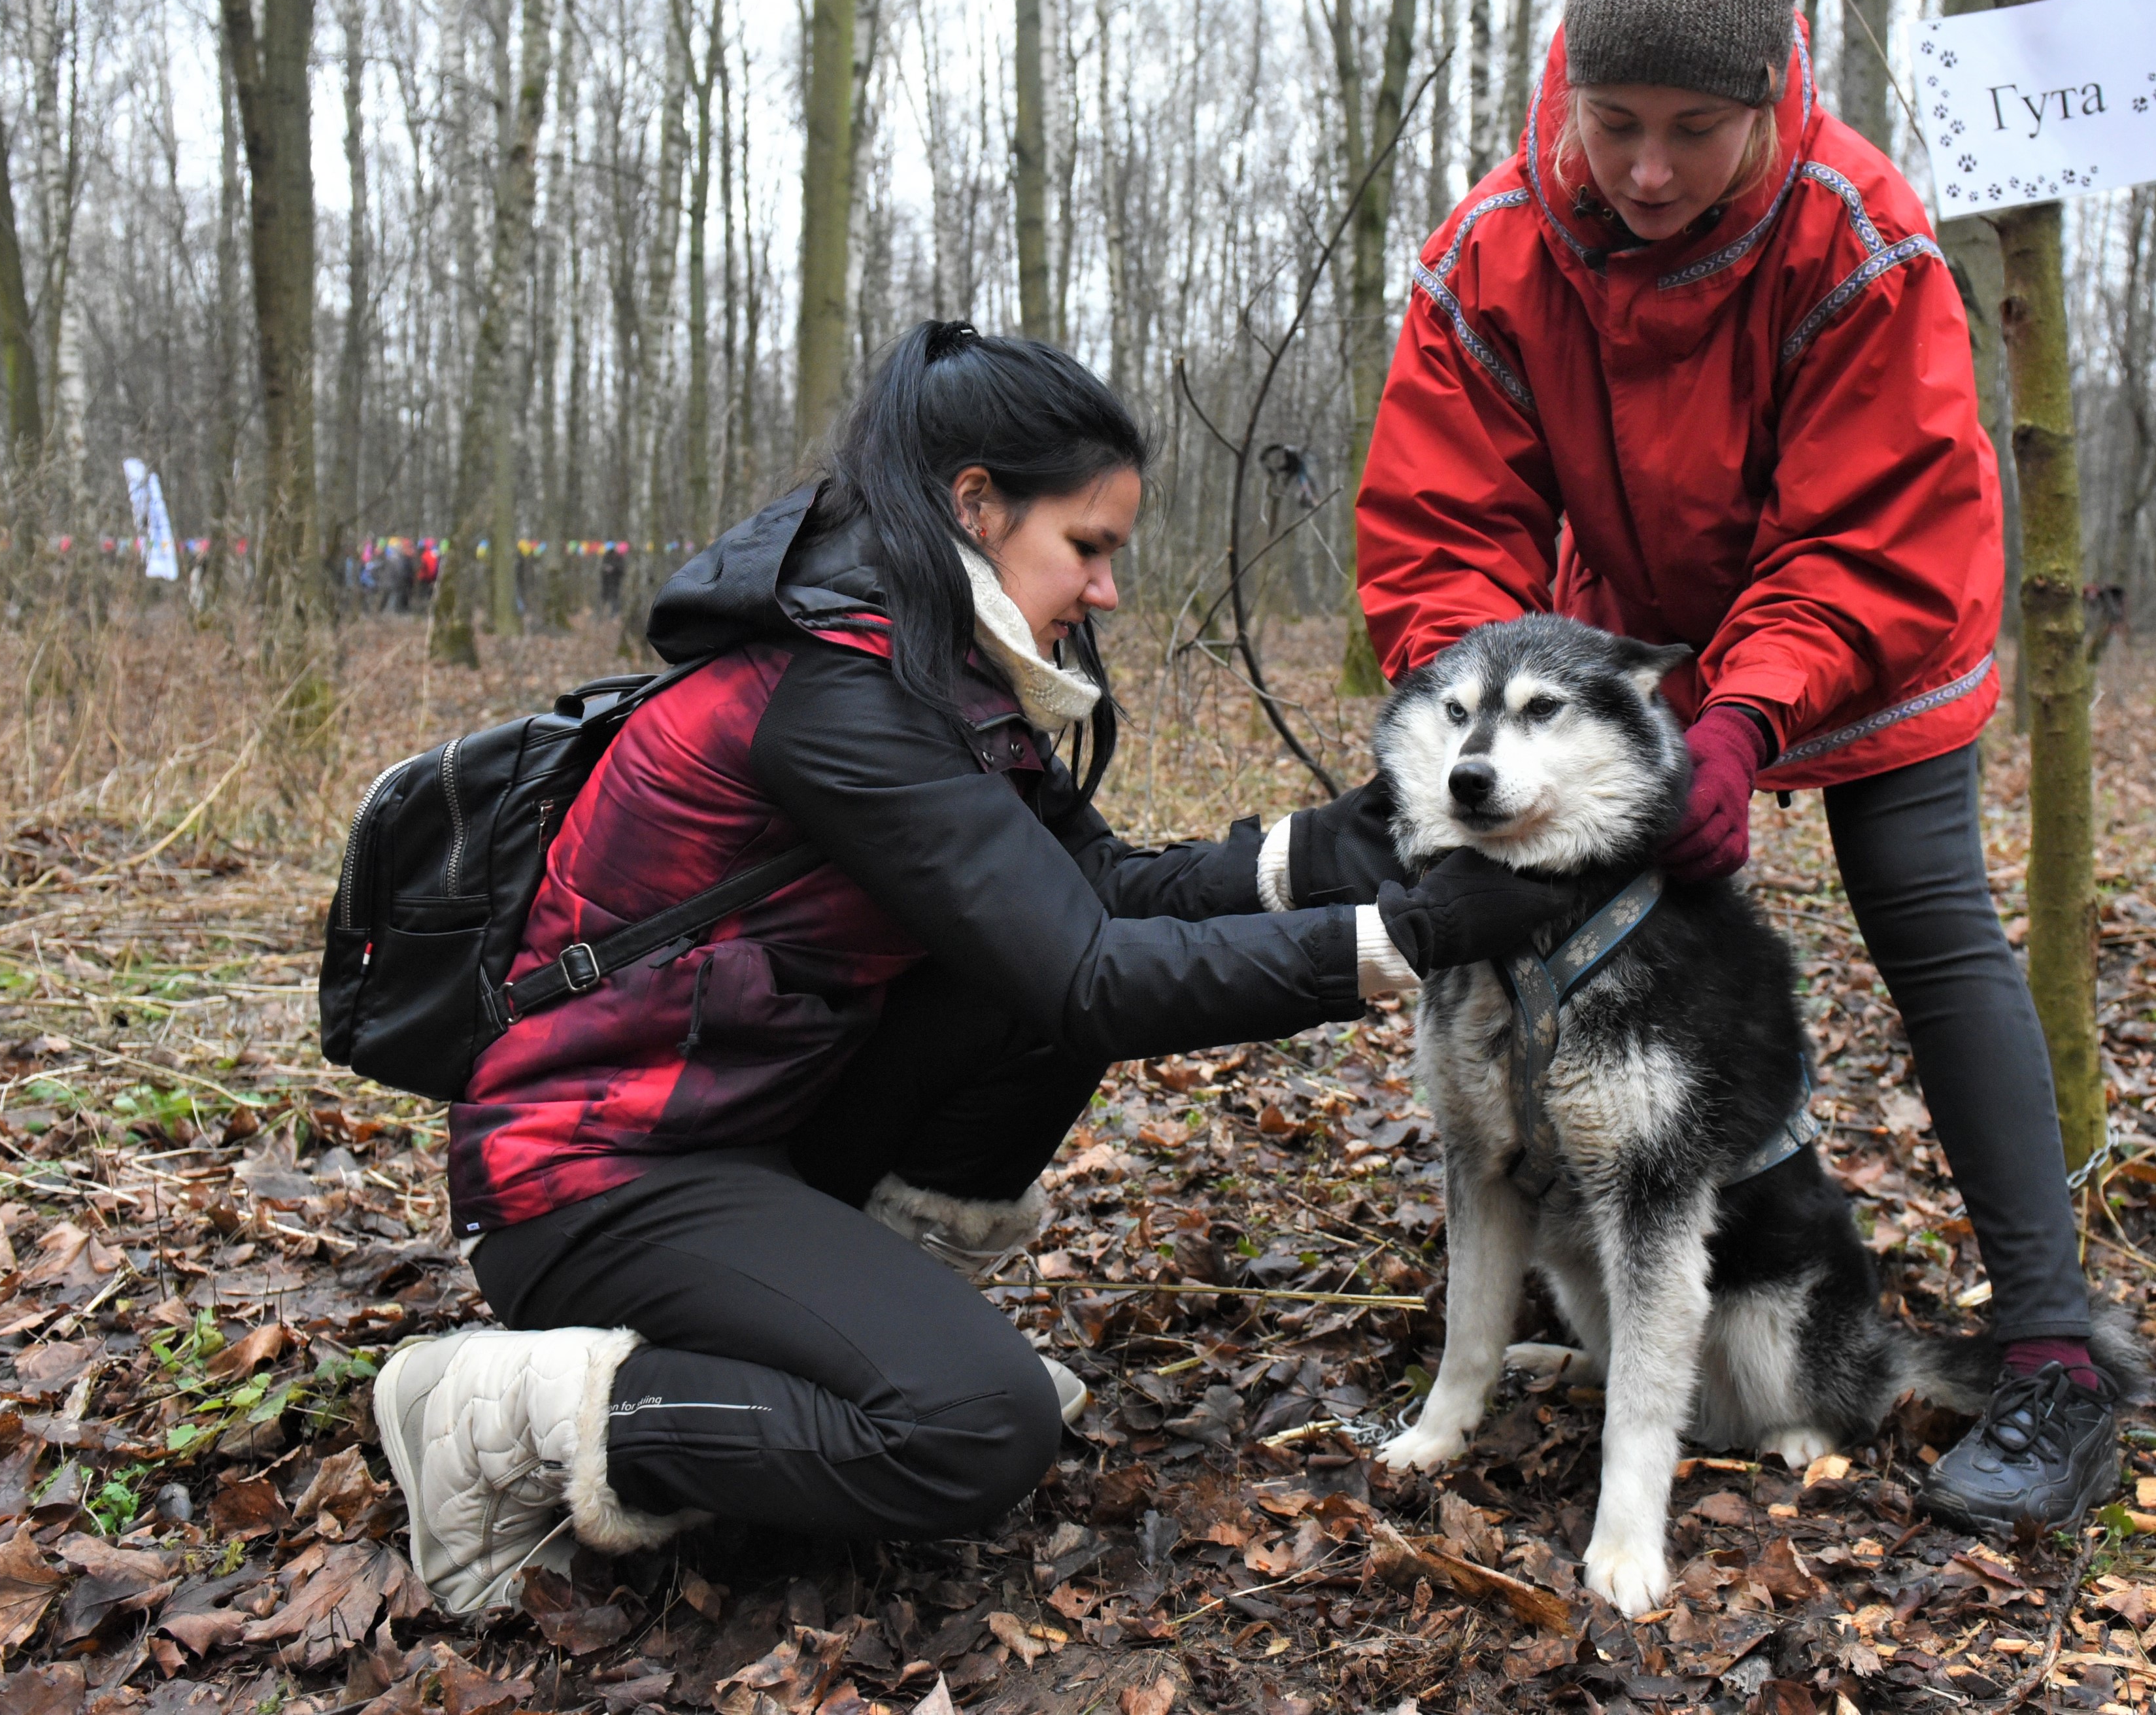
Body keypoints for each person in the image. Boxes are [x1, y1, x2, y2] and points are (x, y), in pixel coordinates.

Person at [372, 322, 1571, 1614]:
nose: (1106, 591)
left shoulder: (932, 661)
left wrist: (1332, 848)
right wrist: (1411, 938)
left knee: (1019, 1012)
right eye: (1088, 547)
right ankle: (488, 1413)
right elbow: (1091, 973)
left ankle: (858, 1343)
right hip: (588, 1178)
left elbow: (1091, 892)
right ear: (978, 505)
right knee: (973, 1429)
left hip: (745, 1133)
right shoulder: (837, 695)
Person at [1354, 0, 2124, 1534]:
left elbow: (1864, 533)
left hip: (1864, 629)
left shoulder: (1862, 236)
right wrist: (1497, 713)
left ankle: (2053, 1349)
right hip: (1618, 648)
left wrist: (1745, 717)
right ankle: (1589, 1243)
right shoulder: (1496, 247)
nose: (1646, 169)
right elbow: (1443, 529)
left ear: (1771, 94)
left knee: (1930, 918)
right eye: (1614, 121)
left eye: (1695, 130)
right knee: (1543, 923)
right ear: (1568, 84)